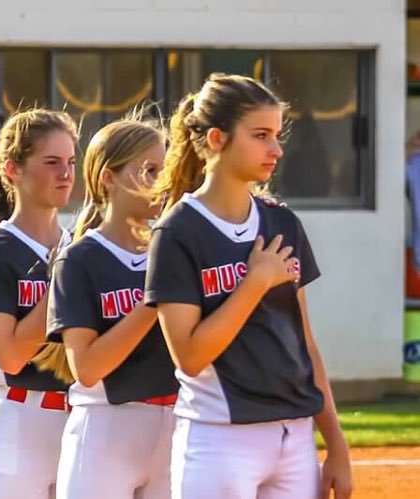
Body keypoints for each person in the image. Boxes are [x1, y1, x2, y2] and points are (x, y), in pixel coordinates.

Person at [146, 73, 353, 499]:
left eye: (276, 135)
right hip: (220, 438)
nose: (276, 149)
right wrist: (254, 283)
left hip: (294, 438)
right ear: (218, 138)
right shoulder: (178, 232)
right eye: (261, 135)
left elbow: (305, 344)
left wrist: (335, 442)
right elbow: (189, 355)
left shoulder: (281, 221)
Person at [34, 115, 177, 499]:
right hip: (106, 428)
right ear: (107, 178)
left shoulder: (176, 250)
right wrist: (153, 301)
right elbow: (88, 367)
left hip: (177, 425)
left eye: (165, 170)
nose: (161, 182)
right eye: (149, 170)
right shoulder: (78, 259)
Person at [0, 109, 78, 499]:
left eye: (71, 163)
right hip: (20, 418)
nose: (65, 174)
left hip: (84, 418)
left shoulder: (84, 246)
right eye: (51, 163)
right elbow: (9, 356)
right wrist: (63, 279)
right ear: (13, 170)